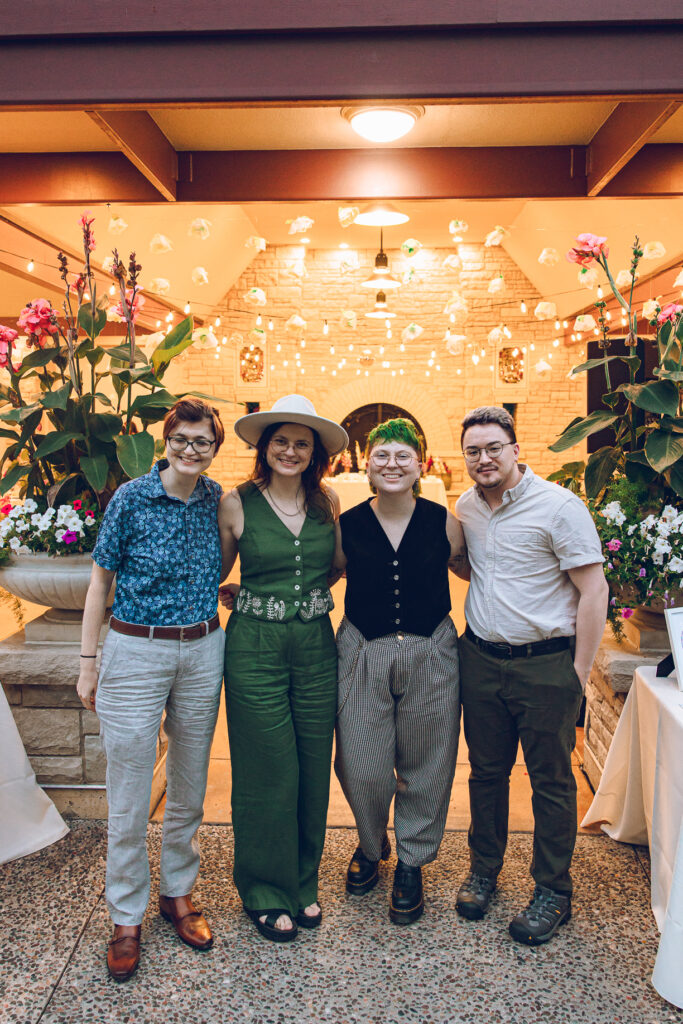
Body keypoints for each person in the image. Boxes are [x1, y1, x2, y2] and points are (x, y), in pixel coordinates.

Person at [77, 397, 226, 982]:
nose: (192, 450)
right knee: (131, 787)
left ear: (215, 448)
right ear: (165, 441)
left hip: (203, 647)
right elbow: (98, 582)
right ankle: (126, 915)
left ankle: (178, 894)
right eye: (182, 440)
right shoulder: (132, 498)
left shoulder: (216, 498)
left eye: (203, 442)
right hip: (135, 648)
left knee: (190, 781)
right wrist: (89, 663)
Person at [455, 406, 608, 945]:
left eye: (494, 447)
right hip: (480, 659)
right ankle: (484, 870)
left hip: (545, 665)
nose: (484, 458)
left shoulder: (558, 507)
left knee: (551, 780)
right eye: (473, 450)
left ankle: (552, 891)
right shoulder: (466, 508)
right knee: (486, 772)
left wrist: (578, 674)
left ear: (516, 449)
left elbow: (594, 590)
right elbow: (473, 567)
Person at [219, 394, 347, 942]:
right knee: (268, 769)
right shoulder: (235, 502)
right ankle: (264, 890)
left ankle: (302, 881)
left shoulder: (328, 502)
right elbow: (213, 572)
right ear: (264, 447)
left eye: (301, 443)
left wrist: (306, 598)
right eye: (281, 441)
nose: (290, 451)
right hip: (254, 651)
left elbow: (339, 566)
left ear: (314, 452)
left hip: (317, 647)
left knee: (314, 765)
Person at [332, 417, 468, 925]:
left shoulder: (445, 520)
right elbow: (326, 573)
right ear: (367, 463)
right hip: (362, 648)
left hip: (431, 649)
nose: (392, 464)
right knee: (359, 763)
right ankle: (371, 844)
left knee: (428, 762)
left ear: (420, 464)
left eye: (402, 456)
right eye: (382, 455)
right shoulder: (347, 524)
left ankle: (411, 860)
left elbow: (471, 567)